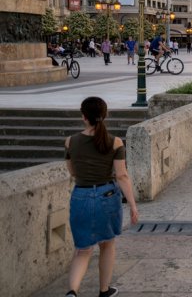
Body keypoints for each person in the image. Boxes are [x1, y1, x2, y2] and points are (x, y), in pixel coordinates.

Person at [64, 97, 139, 297]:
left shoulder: (70, 141)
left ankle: (72, 292)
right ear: (104, 115)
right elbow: (122, 175)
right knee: (107, 244)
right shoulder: (114, 142)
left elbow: (72, 172)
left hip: (80, 195)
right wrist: (132, 205)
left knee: (83, 250)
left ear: (83, 117)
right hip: (106, 196)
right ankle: (104, 291)